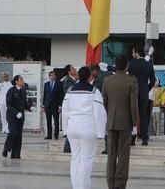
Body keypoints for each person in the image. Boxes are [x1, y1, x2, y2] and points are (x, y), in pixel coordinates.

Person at [62, 66, 106, 189]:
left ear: (78, 76)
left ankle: (76, 186)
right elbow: (98, 113)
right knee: (86, 160)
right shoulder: (94, 91)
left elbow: (65, 111)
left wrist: (65, 129)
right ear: (90, 76)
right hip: (88, 129)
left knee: (75, 158)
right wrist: (101, 133)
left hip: (72, 129)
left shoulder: (70, 90)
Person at [102, 56, 138, 189]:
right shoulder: (132, 81)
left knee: (111, 154)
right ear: (127, 66)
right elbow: (133, 104)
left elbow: (104, 103)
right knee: (123, 155)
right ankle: (120, 183)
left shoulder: (107, 81)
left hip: (111, 121)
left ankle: (110, 183)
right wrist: (135, 121)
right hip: (125, 122)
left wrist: (108, 117)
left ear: (115, 65)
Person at [127, 45, 156, 145]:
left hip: (133, 93)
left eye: (133, 52)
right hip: (144, 93)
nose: (132, 54)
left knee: (133, 116)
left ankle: (132, 138)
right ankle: (144, 138)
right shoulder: (148, 64)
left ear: (136, 53)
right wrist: (146, 89)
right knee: (143, 116)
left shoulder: (131, 64)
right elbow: (153, 80)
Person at [3, 75, 31, 159]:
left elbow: (24, 103)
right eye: (21, 79)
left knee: (19, 135)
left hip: (21, 116)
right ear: (16, 81)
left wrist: (29, 108)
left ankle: (16, 154)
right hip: (12, 115)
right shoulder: (11, 91)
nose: (23, 80)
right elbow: (9, 104)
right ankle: (6, 148)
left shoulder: (23, 91)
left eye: (22, 79)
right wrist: (16, 113)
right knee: (13, 132)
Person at [42, 70, 63, 140]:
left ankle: (56, 135)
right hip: (48, 105)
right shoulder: (46, 84)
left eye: (53, 75)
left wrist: (60, 106)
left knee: (56, 121)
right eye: (51, 75)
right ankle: (49, 135)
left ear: (55, 76)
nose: (52, 76)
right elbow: (45, 95)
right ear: (49, 76)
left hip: (56, 105)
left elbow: (61, 95)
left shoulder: (59, 83)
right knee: (48, 121)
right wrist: (43, 105)